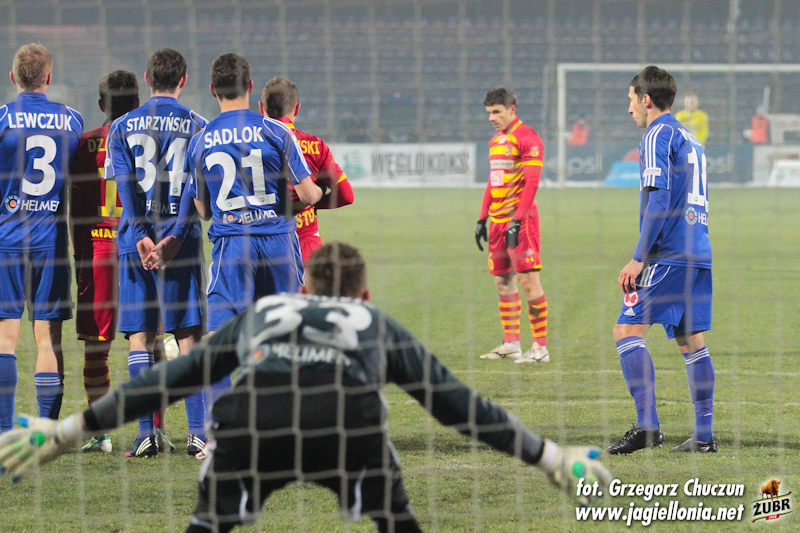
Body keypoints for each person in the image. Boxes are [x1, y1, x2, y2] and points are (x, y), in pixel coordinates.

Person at [0, 242, 614, 533]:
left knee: (209, 521)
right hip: (348, 427)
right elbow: (457, 405)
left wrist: (66, 431)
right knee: (396, 518)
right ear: (361, 294)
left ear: (305, 288)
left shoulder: (266, 311)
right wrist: (551, 456)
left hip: (253, 424)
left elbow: (172, 378)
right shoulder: (372, 321)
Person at [158, 54, 321, 337]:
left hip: (232, 243)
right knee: (286, 332)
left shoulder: (201, 140)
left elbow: (203, 211)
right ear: (250, 85)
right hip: (278, 242)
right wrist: (320, 190)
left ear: (212, 90)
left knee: (220, 336)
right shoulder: (277, 131)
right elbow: (308, 196)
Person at [104, 48, 210, 458]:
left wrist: (141, 236)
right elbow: (194, 189)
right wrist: (176, 237)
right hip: (181, 245)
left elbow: (125, 187)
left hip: (135, 244)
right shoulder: (198, 125)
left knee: (141, 337)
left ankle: (147, 434)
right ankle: (198, 433)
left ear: (147, 79)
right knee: (187, 336)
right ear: (183, 80)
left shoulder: (121, 126)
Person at [609, 66, 715, 455]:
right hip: (698, 250)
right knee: (691, 341)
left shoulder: (657, 134)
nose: (630, 109)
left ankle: (648, 427)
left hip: (669, 253)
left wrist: (638, 258)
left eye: (631, 100)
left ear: (646, 99)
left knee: (626, 331)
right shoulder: (690, 137)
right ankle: (704, 435)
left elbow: (659, 199)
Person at [0, 44, 83, 433]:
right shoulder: (72, 120)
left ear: (13, 77)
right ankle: (47, 430)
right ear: (49, 78)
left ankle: (4, 430)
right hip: (51, 239)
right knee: (48, 336)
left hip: (7, 238)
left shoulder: (3, 118)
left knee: (6, 335)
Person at [69, 71, 139, 452]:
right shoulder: (146, 139)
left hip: (97, 252)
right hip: (138, 248)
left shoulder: (84, 144)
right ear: (137, 104)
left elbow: (76, 210)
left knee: (96, 347)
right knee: (147, 341)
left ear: (100, 105)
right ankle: (152, 430)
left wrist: (78, 254)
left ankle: (101, 434)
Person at [474, 88, 549, 364]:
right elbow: (492, 181)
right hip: (497, 222)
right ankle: (511, 344)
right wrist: (482, 218)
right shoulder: (495, 141)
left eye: (497, 112)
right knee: (503, 282)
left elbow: (532, 182)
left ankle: (540, 349)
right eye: (489, 113)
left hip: (521, 222)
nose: (492, 118)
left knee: (528, 282)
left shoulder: (528, 137)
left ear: (512, 110)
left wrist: (517, 219)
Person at [260, 77, 355, 264]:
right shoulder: (315, 146)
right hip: (306, 245)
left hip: (262, 244)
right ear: (297, 109)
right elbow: (346, 196)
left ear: (261, 108)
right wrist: (311, 203)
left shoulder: (246, 145)